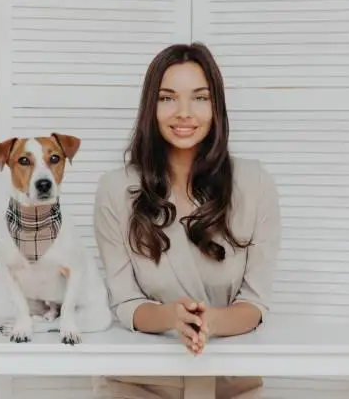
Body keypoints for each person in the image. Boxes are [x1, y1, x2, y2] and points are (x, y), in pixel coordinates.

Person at [92, 42, 281, 399]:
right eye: (167, 98)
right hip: (137, 382)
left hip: (230, 381)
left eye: (199, 97)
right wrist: (171, 317)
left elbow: (255, 304)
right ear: (151, 106)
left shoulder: (255, 184)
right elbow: (126, 304)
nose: (183, 113)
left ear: (216, 107)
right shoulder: (116, 189)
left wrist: (205, 322)